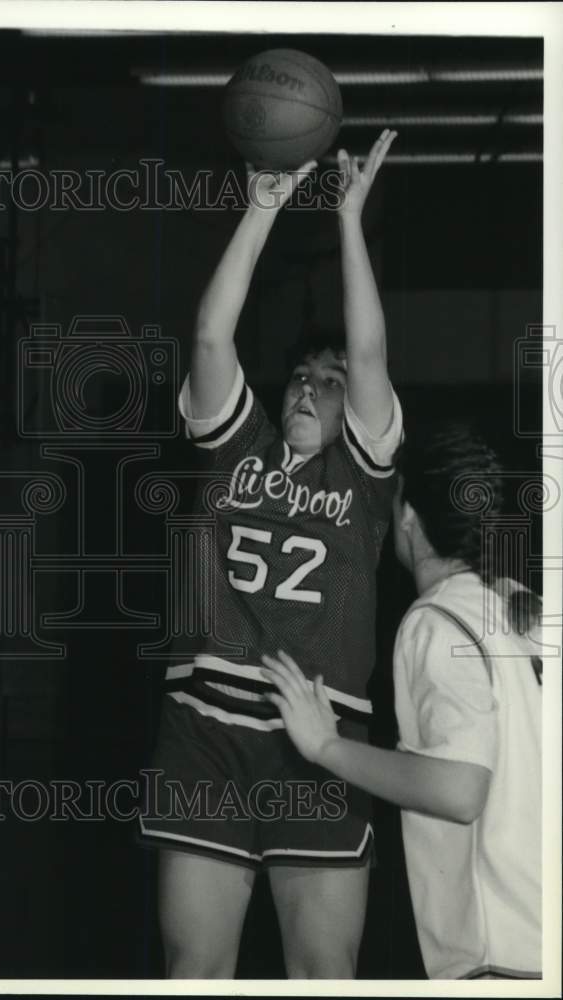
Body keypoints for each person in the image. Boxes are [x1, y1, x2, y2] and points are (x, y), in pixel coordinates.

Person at [137, 129, 402, 979]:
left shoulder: (362, 478)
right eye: (298, 373)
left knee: (323, 975)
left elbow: (368, 354)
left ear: (351, 407)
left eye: (327, 382)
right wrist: (259, 211)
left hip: (320, 736)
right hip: (204, 729)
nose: (307, 385)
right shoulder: (236, 445)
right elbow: (212, 339)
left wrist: (348, 219)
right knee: (193, 971)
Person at [262, 423, 542, 980]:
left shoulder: (436, 620)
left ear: (409, 516)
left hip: (503, 961)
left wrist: (326, 747)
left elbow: (461, 789)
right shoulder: (517, 618)